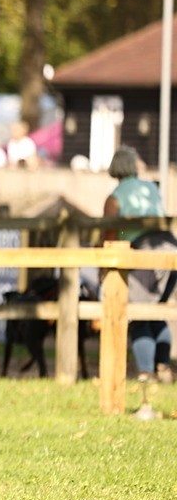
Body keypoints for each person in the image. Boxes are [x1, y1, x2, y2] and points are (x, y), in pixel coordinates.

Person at [101, 146, 173, 383]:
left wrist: (104, 266)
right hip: (170, 250)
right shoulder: (151, 187)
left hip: (143, 254)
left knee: (138, 314)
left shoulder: (115, 197)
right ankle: (163, 366)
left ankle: (146, 372)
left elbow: (110, 234)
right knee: (157, 312)